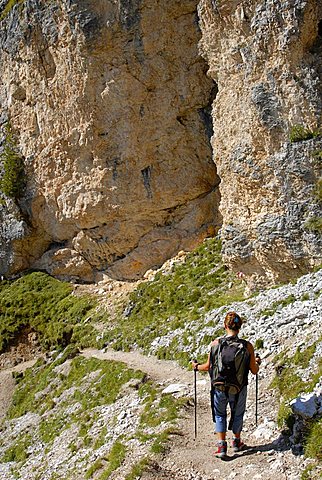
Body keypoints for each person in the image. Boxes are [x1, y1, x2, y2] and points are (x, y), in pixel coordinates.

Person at [192, 311, 261, 458]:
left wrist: (196, 367)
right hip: (238, 387)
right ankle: (237, 442)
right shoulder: (247, 346)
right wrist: (257, 363)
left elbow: (208, 366)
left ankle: (221, 446)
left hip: (218, 387)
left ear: (225, 325)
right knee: (238, 413)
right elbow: (254, 370)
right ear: (240, 327)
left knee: (220, 414)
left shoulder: (215, 344)